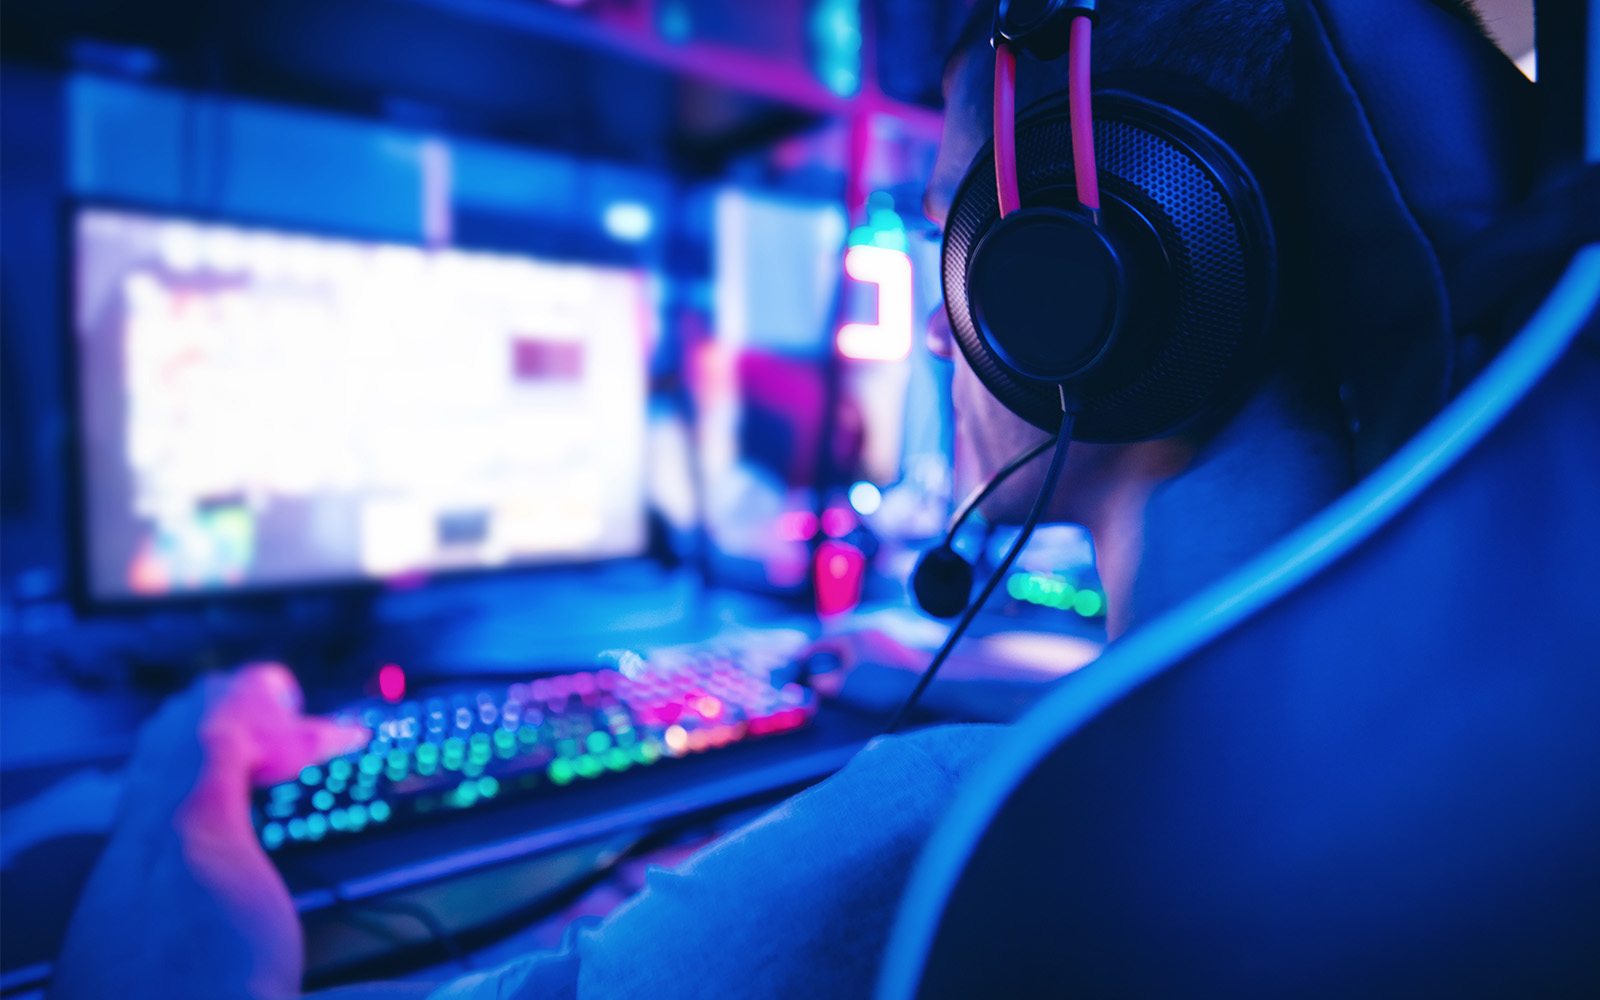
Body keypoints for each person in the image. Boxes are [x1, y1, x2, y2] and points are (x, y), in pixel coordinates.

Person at [57, 0, 1479, 995]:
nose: (941, 331)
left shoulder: (946, 836)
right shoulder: (1432, 732)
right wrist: (942, 668)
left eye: (957, 233)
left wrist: (186, 779)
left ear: (1073, 295)